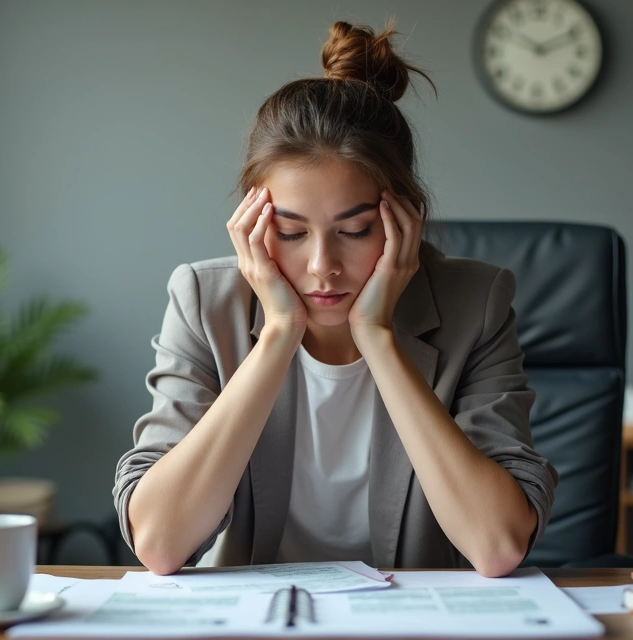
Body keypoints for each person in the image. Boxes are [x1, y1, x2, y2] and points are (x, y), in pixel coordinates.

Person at [113, 20, 558, 577]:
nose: (323, 265)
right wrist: (278, 334)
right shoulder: (206, 301)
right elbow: (159, 541)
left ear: (404, 221)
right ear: (252, 226)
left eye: (355, 231)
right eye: (293, 233)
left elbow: (497, 546)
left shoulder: (475, 303)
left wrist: (378, 337)